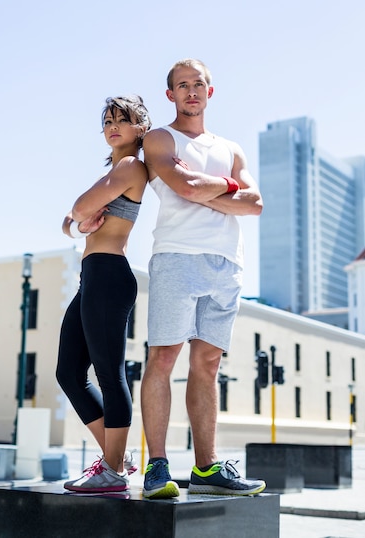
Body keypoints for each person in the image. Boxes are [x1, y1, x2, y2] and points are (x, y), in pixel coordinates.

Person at [140, 59, 266, 499]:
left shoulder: (231, 149)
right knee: (163, 358)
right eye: (182, 86)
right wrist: (226, 190)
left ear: (210, 92)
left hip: (227, 264)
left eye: (198, 85)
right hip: (177, 258)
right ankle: (157, 466)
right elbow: (185, 188)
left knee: (208, 365)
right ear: (170, 94)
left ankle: (206, 467)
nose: (191, 91)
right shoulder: (159, 138)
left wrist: (217, 189)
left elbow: (255, 204)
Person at [56, 94, 151, 493]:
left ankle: (112, 471)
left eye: (122, 120)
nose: (112, 126)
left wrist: (79, 219)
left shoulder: (130, 166)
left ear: (141, 128)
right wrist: (78, 224)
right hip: (91, 276)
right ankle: (116, 460)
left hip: (110, 274)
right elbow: (68, 223)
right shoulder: (114, 170)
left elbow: (77, 208)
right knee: (69, 374)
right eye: (108, 120)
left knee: (110, 374)